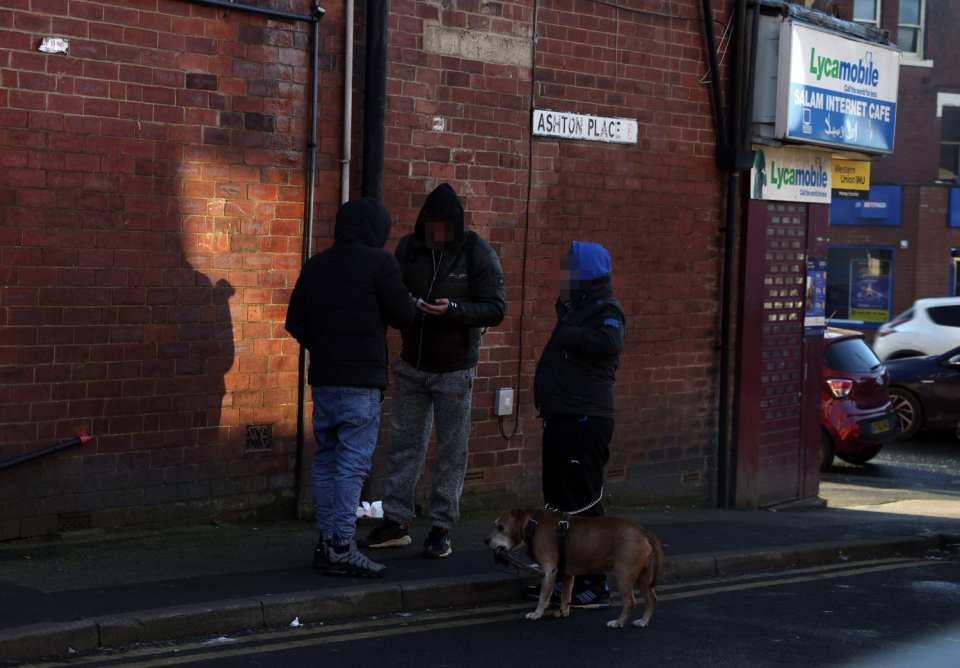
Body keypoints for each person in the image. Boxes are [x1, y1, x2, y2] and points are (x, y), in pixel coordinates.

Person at [362, 183, 506, 558]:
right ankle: (396, 520)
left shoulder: (476, 252)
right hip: (412, 363)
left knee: (451, 451)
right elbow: (390, 293)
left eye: (444, 226)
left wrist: (454, 309)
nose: (437, 233)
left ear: (456, 225)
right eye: (432, 225)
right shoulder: (409, 248)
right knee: (404, 446)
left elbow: (495, 307)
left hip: (455, 369)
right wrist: (408, 307)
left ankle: (442, 527)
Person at [285, 197, 415, 577]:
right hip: (361, 384)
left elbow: (294, 322)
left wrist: (325, 346)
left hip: (324, 378)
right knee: (351, 466)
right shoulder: (381, 264)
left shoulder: (316, 266)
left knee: (325, 461)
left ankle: (328, 542)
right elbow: (402, 315)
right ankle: (343, 546)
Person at [532, 240, 626, 606]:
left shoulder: (605, 309)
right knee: (559, 501)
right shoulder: (576, 308)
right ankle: (561, 578)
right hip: (563, 416)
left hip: (586, 419)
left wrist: (568, 332)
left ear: (585, 274)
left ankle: (594, 583)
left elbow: (611, 341)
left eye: (569, 269)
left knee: (582, 504)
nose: (562, 276)